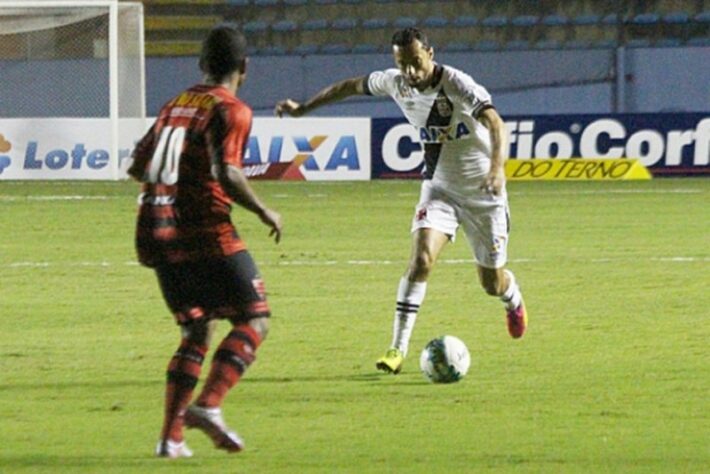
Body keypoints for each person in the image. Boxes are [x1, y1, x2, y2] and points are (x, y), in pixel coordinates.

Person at [275, 27, 527, 375]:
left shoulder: (458, 84)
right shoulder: (396, 83)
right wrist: (304, 109)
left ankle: (511, 297)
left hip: (484, 195)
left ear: (431, 54)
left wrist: (497, 169)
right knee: (421, 260)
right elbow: (348, 86)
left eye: (416, 62)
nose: (410, 72)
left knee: (490, 283)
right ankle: (397, 348)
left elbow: (495, 123)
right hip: (439, 189)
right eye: (402, 64)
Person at [128, 24, 282, 458]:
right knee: (255, 318)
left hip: (155, 230)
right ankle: (208, 407)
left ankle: (169, 438)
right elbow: (228, 173)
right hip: (203, 229)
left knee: (196, 328)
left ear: (201, 64)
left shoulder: (174, 104)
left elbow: (137, 166)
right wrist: (263, 210)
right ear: (244, 68)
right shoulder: (231, 109)